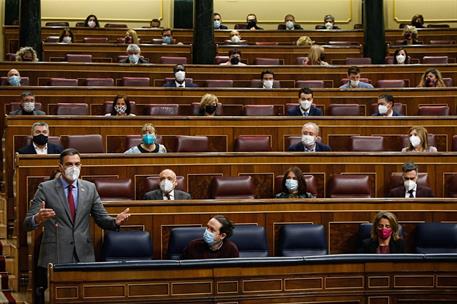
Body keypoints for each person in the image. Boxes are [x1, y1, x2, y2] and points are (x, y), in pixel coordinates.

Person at [24, 148, 130, 303]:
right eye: (69, 164)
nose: (73, 168)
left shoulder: (89, 188)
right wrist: (37, 218)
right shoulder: (45, 188)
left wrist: (114, 221)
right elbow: (27, 223)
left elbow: (101, 218)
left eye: (77, 164)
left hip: (83, 254)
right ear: (60, 166)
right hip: (56, 254)